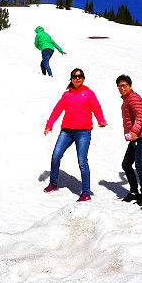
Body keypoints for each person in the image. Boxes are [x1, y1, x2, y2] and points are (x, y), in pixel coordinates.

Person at [44, 68, 107, 201]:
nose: (77, 78)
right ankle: (53, 183)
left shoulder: (89, 93)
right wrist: (49, 125)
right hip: (66, 130)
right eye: (74, 76)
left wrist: (100, 120)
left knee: (82, 161)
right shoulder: (67, 94)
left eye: (80, 76)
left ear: (83, 78)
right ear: (71, 79)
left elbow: (96, 108)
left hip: (83, 131)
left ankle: (86, 192)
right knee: (56, 155)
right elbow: (57, 109)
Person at [116, 75, 142, 206]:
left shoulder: (134, 98)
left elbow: (140, 116)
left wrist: (134, 131)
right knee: (126, 164)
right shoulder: (127, 100)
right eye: (120, 86)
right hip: (134, 136)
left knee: (139, 165)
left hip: (140, 135)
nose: (122, 88)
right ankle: (134, 191)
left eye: (124, 85)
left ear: (130, 86)